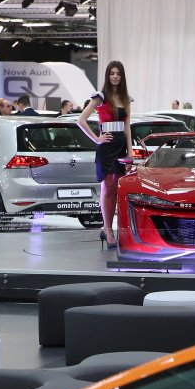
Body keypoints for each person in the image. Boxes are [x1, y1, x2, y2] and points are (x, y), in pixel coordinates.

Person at [77, 60, 133, 249]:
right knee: (107, 188)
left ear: (122, 76)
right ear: (108, 76)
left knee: (116, 189)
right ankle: (108, 230)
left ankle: (107, 227)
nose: (115, 76)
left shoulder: (126, 99)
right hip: (106, 147)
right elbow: (81, 120)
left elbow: (127, 127)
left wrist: (130, 152)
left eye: (118, 73)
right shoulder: (100, 97)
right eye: (112, 73)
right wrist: (96, 138)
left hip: (120, 147)